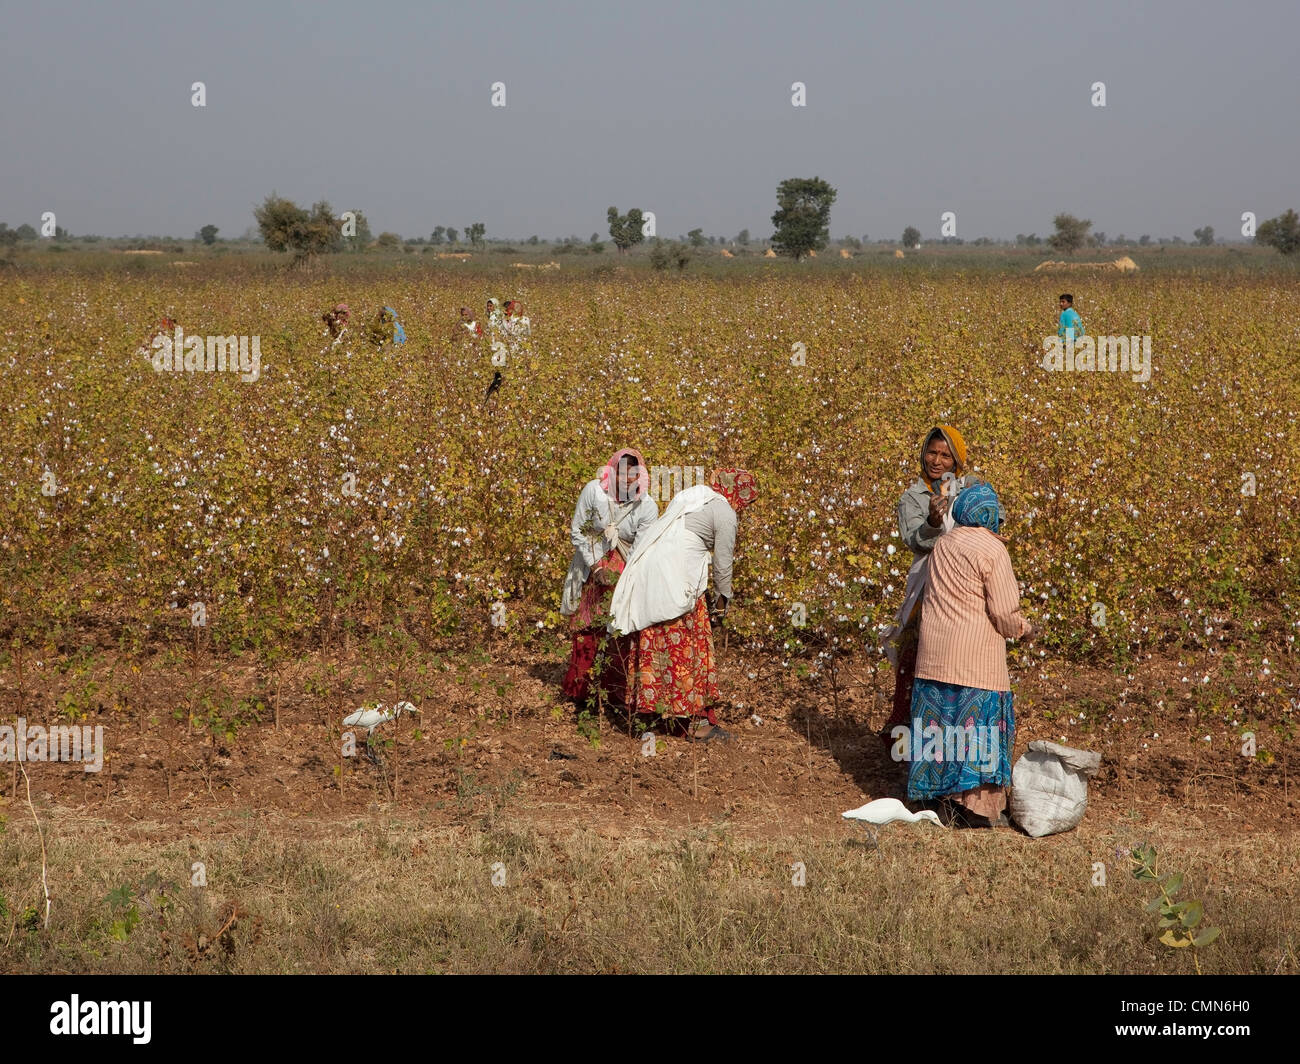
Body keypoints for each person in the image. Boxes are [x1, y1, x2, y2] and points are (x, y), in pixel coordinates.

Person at [905, 483, 1033, 828]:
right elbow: (1005, 612)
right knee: (977, 734)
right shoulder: (992, 550)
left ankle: (936, 803)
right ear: (992, 515)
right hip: (976, 661)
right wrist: (1024, 629)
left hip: (934, 657)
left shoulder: (943, 544)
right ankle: (973, 812)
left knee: (939, 729)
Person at [610, 468, 758, 742]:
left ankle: (649, 718)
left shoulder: (693, 498)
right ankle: (697, 723)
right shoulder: (725, 512)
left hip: (651, 573)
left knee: (656, 639)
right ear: (739, 494)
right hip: (675, 579)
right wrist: (722, 606)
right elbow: (724, 567)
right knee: (688, 645)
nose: (744, 507)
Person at [880, 425, 969, 748]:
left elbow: (992, 521)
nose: (937, 461)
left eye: (946, 455)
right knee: (916, 651)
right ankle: (904, 728)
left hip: (965, 584)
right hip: (928, 584)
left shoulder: (971, 491)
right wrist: (933, 522)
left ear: (957, 460)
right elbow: (912, 539)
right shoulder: (914, 497)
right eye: (932, 452)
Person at [561, 449, 659, 707]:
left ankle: (614, 698)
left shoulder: (646, 506)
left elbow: (641, 549)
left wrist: (624, 578)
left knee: (619, 631)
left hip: (624, 572)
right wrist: (596, 568)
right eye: (623, 475)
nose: (628, 481)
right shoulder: (594, 492)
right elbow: (578, 532)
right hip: (591, 567)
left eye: (633, 477)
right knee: (588, 627)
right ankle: (581, 695)